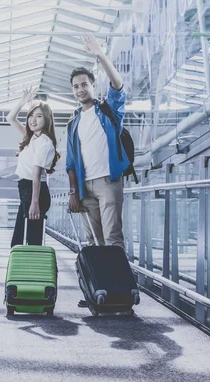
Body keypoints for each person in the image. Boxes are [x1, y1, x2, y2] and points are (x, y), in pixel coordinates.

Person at [66, 34, 130, 251]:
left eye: (84, 84)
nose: (80, 89)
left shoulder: (108, 110)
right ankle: (100, 285)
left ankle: (117, 285)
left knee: (112, 238)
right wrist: (74, 192)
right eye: (76, 87)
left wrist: (101, 55)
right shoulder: (73, 124)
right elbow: (71, 163)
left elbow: (118, 85)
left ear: (93, 85)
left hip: (108, 182)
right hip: (85, 187)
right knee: (93, 240)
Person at [7, 87, 60, 247]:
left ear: (47, 120)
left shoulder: (44, 142)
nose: (33, 120)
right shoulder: (32, 139)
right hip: (27, 191)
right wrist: (23, 102)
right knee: (20, 241)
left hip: (34, 192)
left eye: (39, 116)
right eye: (31, 116)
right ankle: (25, 271)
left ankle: (36, 271)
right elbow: (11, 118)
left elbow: (36, 175)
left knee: (30, 242)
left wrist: (34, 202)